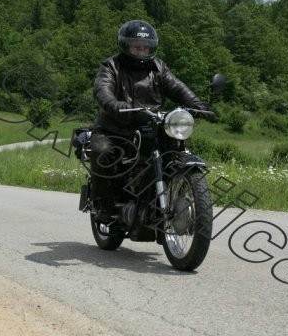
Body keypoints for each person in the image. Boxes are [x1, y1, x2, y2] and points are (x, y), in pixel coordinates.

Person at [89, 19, 210, 218]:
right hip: (116, 128)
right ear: (125, 45)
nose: (141, 51)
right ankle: (103, 204)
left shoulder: (158, 67)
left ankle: (163, 197)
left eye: (145, 47)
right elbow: (102, 89)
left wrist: (197, 104)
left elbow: (177, 87)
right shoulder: (111, 66)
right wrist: (115, 105)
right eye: (136, 47)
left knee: (174, 149)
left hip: (152, 125)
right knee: (102, 150)